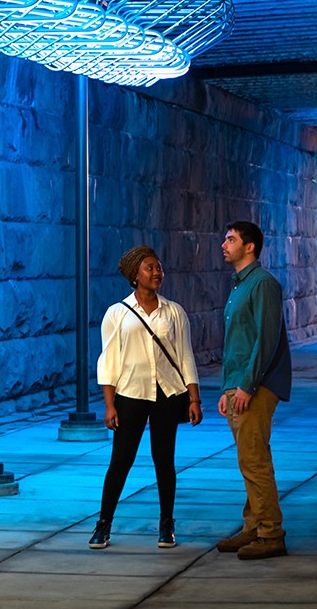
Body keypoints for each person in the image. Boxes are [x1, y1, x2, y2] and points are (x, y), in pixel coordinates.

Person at [88, 245, 203, 550]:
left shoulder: (174, 311)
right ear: (135, 274)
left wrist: (194, 399)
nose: (156, 273)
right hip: (130, 395)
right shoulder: (117, 313)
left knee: (164, 460)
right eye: (150, 268)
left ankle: (167, 525)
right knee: (120, 461)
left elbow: (185, 356)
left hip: (167, 395)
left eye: (159, 267)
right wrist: (109, 404)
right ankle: (103, 525)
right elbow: (109, 360)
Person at [216, 221, 292, 560]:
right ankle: (252, 526)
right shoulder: (239, 286)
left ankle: (270, 533)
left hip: (256, 386)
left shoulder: (262, 285)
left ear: (250, 247)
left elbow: (267, 339)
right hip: (239, 384)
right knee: (249, 458)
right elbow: (236, 344)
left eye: (231, 240)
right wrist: (227, 387)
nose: (224, 244)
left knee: (255, 459)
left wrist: (246, 386)